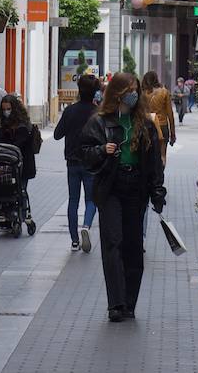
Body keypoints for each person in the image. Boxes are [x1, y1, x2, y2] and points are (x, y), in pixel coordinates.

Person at [79, 73, 167, 323]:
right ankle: (116, 303)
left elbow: (154, 162)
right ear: (117, 93)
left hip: (135, 187)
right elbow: (84, 153)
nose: (134, 94)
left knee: (133, 245)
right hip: (111, 187)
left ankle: (129, 302)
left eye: (135, 90)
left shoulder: (145, 124)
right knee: (113, 243)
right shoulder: (99, 122)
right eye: (129, 90)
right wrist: (101, 150)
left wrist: (157, 190)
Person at [54, 72, 101, 253]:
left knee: (73, 200)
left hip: (72, 162)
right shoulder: (98, 113)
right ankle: (86, 226)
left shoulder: (70, 111)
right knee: (91, 199)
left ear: (79, 90)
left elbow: (57, 135)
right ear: (95, 92)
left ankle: (74, 240)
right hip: (92, 162)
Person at [0, 94, 37, 187]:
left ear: (14, 109)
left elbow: (17, 145)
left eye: (8, 109)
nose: (6, 112)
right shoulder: (5, 122)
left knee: (20, 189)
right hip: (12, 164)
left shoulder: (22, 126)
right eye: (3, 109)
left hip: (22, 164)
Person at [141, 71, 176, 164]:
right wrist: (173, 133)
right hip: (162, 126)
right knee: (162, 155)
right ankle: (161, 170)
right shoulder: (164, 92)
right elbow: (170, 114)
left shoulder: (143, 93)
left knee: (148, 156)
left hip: (147, 126)